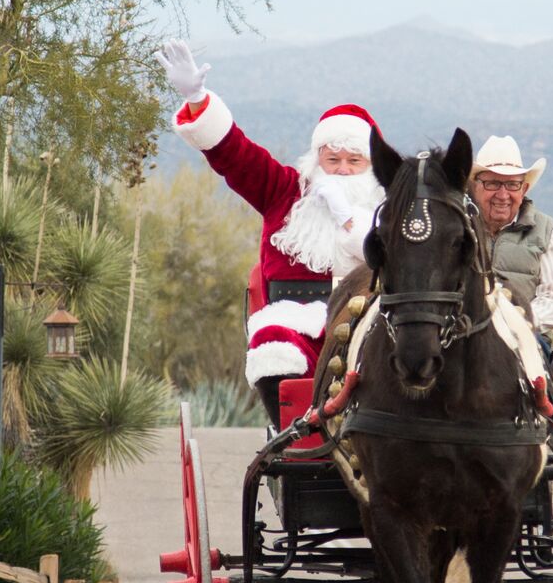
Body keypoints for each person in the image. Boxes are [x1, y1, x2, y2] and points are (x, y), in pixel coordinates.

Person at [156, 39, 383, 415]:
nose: (342, 169)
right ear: (317, 158)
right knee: (273, 347)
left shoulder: (387, 205)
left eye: (354, 160)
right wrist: (197, 98)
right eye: (333, 158)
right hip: (299, 324)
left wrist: (348, 218)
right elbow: (234, 153)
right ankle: (297, 440)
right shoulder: (283, 191)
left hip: (371, 323)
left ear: (370, 164)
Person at [466, 135, 553, 353]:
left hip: (523, 340)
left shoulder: (545, 231)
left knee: (536, 375)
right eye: (493, 183)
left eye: (512, 184)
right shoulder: (457, 228)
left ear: (523, 189)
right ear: (474, 187)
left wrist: (515, 319)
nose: (503, 194)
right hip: (463, 337)